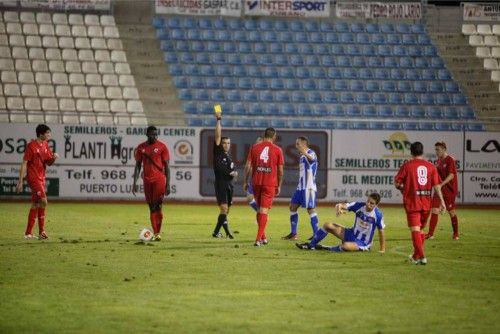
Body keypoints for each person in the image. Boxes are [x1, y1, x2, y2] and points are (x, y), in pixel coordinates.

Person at [395, 141, 445, 265]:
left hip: (413, 202)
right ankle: (416, 257)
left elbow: (397, 183)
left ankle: (422, 257)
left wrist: (402, 188)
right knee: (421, 230)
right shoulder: (431, 166)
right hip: (426, 203)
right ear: (422, 151)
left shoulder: (407, 166)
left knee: (415, 231)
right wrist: (442, 202)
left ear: (411, 152)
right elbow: (437, 186)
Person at [296, 193, 385, 253]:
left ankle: (326, 248)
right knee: (328, 225)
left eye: (372, 203)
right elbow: (342, 205)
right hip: (351, 234)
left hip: (363, 243)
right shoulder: (359, 206)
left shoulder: (378, 215)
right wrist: (339, 207)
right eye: (368, 201)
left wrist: (382, 249)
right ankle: (311, 245)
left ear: (376, 205)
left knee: (345, 246)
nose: (368, 204)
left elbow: (381, 231)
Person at [16, 124, 58, 240]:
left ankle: (29, 233)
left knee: (35, 204)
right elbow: (24, 163)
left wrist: (53, 157)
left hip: (41, 178)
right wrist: (20, 181)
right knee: (44, 201)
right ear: (41, 134)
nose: (49, 135)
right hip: (33, 177)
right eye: (48, 133)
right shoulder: (31, 146)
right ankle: (42, 231)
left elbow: (48, 162)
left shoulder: (45, 145)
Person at [244, 127, 284, 246]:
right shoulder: (278, 150)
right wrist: (279, 184)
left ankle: (263, 236)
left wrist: (245, 181)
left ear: (264, 135)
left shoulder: (254, 147)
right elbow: (281, 171)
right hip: (269, 184)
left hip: (256, 182)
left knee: (259, 209)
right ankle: (257, 239)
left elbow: (247, 166)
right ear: (274, 136)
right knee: (264, 210)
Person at [132, 125, 170, 241]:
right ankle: (156, 233)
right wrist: (135, 181)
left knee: (156, 206)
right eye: (152, 134)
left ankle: (157, 233)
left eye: (156, 134)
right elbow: (138, 165)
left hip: (159, 180)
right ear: (147, 134)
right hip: (147, 181)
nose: (155, 136)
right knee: (151, 207)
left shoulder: (162, 147)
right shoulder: (141, 147)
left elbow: (167, 167)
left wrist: (168, 184)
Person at [283, 136, 320, 241]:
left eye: (298, 144)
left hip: (308, 187)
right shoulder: (302, 156)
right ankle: (294, 234)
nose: (296, 146)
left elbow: (312, 159)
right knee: (292, 207)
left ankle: (317, 234)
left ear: (304, 143)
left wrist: (304, 152)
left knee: (310, 209)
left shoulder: (310, 152)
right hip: (300, 187)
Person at [211, 105, 237, 239]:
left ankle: (218, 233)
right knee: (224, 209)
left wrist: (234, 174)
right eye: (224, 142)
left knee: (226, 211)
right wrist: (219, 119)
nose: (226, 144)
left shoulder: (228, 156)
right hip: (221, 184)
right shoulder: (218, 152)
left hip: (229, 185)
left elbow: (231, 171)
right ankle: (224, 233)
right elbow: (217, 135)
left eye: (228, 143)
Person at [426, 141, 459, 240]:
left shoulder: (450, 160)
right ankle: (431, 234)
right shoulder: (438, 161)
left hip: (449, 190)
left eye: (438, 149)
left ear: (444, 149)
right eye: (435, 149)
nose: (436, 152)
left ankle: (456, 233)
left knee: (451, 211)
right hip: (439, 189)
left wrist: (441, 184)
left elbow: (451, 175)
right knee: (434, 210)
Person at [246, 136, 263, 215]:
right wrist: (246, 180)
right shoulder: (253, 149)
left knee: (261, 200)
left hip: (264, 179)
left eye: (259, 141)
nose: (257, 143)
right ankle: (260, 213)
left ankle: (262, 215)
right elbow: (248, 165)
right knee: (250, 198)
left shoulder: (269, 152)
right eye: (257, 141)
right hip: (254, 178)